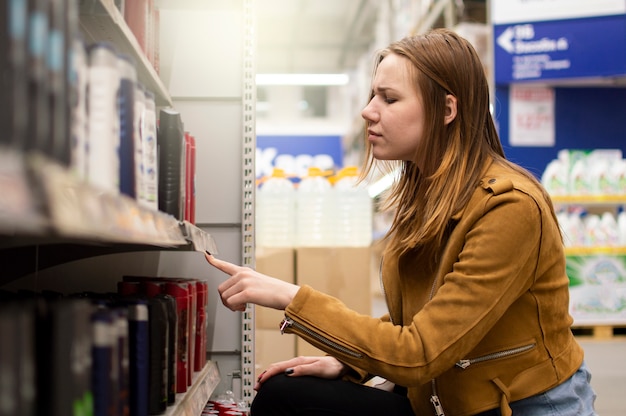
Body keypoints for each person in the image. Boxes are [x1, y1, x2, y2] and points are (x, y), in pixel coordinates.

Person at [205, 28, 597, 416]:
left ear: (447, 110)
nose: (368, 110)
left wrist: (292, 298)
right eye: (373, 94)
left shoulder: (510, 208)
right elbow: (424, 318)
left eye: (389, 98)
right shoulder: (427, 194)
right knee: (284, 392)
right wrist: (352, 363)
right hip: (442, 398)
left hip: (516, 407)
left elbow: (422, 352)